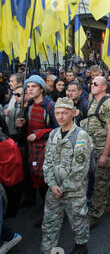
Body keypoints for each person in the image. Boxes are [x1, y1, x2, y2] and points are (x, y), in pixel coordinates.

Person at [24, 98, 93, 254]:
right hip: (54, 189)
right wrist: (52, 184)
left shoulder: (81, 136)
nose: (60, 116)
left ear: (73, 113)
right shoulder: (54, 134)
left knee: (78, 220)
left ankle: (81, 246)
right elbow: (47, 162)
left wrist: (63, 188)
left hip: (73, 190)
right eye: (57, 113)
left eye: (64, 113)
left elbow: (80, 168)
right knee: (49, 222)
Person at [16, 75, 58, 226]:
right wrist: (21, 125)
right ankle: (46, 206)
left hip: (47, 149)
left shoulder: (51, 106)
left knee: (48, 180)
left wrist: (39, 134)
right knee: (37, 178)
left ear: (41, 88)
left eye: (33, 86)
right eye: (28, 87)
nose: (30, 89)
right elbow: (27, 132)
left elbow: (58, 130)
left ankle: (51, 212)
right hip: (33, 149)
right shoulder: (30, 106)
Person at [81, 76, 110, 228]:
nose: (92, 85)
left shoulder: (108, 104)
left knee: (99, 182)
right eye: (91, 83)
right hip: (93, 147)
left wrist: (105, 154)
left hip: (104, 149)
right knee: (105, 179)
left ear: (104, 87)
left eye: (95, 84)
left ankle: (95, 214)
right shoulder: (92, 102)